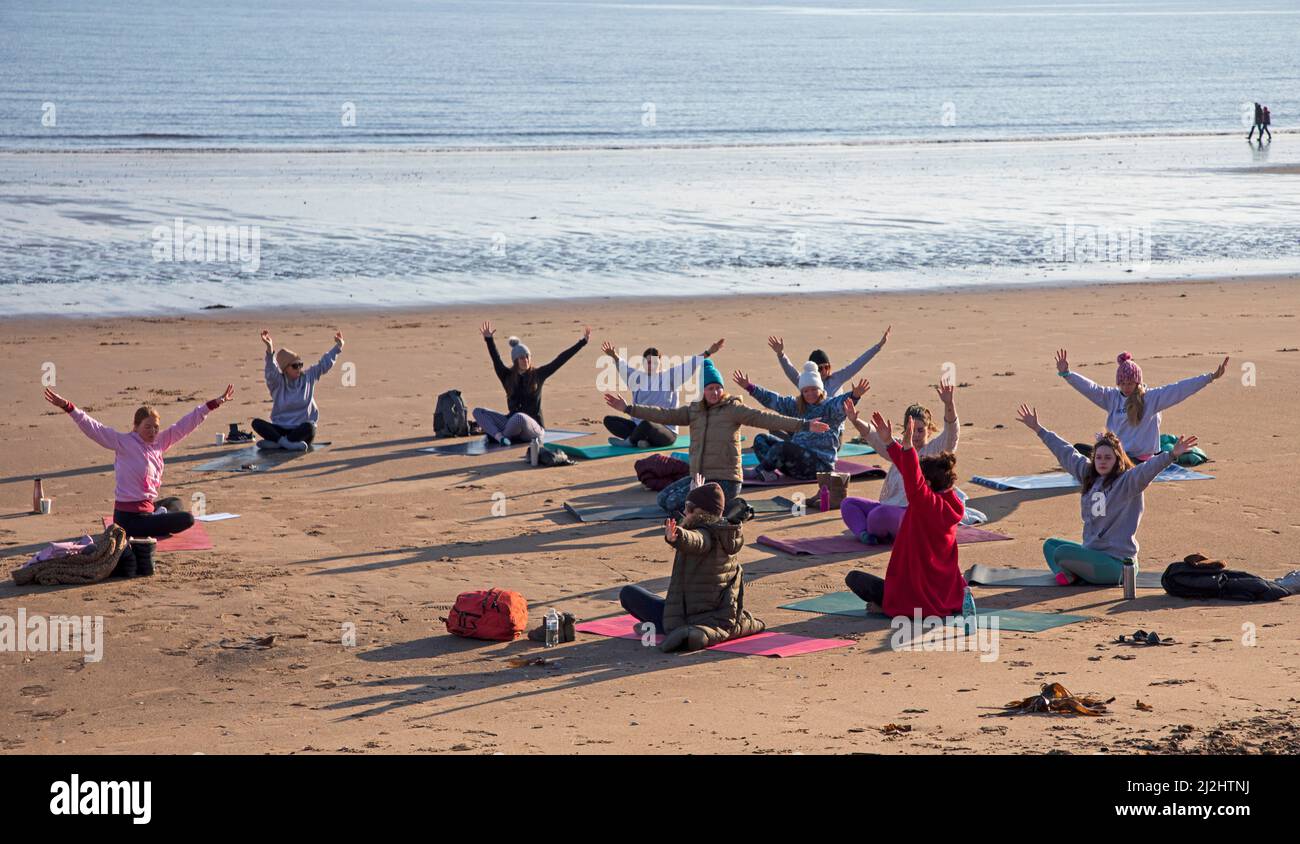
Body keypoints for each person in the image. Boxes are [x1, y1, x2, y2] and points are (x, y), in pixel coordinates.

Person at [43, 385, 235, 571]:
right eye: (147, 427)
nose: (152, 432)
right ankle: (155, 519)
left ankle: (156, 516)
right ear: (136, 427)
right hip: (129, 520)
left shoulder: (160, 442)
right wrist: (68, 407)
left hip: (147, 508)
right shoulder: (123, 442)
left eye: (156, 427)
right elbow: (93, 427)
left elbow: (186, 424)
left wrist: (214, 404)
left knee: (175, 502)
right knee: (188, 519)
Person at [604, 359, 828, 515]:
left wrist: (805, 425)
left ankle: (720, 508)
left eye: (718, 388)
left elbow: (767, 419)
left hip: (726, 481)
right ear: (703, 391)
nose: (715, 392)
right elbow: (663, 414)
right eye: (710, 388)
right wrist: (628, 409)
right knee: (664, 499)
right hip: (700, 478)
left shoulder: (733, 409)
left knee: (675, 504)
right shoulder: (694, 411)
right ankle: (711, 508)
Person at [1016, 403, 1197, 585]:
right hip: (1092, 555)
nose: (1102, 462)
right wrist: (1039, 429)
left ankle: (1067, 573)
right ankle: (1068, 574)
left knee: (1061, 553)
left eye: (1108, 458)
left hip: (1117, 565)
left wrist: (1171, 454)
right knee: (1051, 545)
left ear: (1117, 460)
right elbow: (1066, 452)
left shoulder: (1127, 482)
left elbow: (1148, 469)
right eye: (1099, 457)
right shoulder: (1088, 474)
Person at [844, 412, 965, 618]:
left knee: (854, 578)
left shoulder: (926, 504)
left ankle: (888, 606)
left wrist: (906, 445)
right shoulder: (950, 503)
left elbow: (912, 474)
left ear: (926, 484)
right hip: (943, 594)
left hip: (914, 597)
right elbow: (909, 469)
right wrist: (890, 442)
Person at [618, 482, 764, 652]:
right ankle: (657, 625)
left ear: (701, 512)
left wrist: (677, 536)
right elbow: (694, 528)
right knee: (653, 600)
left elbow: (696, 539)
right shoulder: (725, 531)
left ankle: (662, 627)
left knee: (629, 593)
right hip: (715, 610)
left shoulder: (705, 534)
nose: (685, 511)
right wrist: (695, 494)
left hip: (690, 616)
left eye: (688, 507)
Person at [839, 380, 960, 544]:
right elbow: (873, 435)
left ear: (929, 429)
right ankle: (865, 535)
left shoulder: (935, 450)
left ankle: (876, 528)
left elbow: (951, 432)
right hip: (887, 508)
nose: (916, 435)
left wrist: (949, 404)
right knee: (848, 504)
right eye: (911, 430)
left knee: (877, 516)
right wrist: (854, 420)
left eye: (920, 430)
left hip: (911, 514)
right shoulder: (899, 447)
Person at [1055, 349, 1225, 461]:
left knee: (1107, 465)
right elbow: (1090, 388)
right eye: (1123, 383)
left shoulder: (1150, 399)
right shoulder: (1111, 397)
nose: (1126, 387)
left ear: (1138, 382)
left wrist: (1210, 377)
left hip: (1141, 459)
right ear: (1118, 383)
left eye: (1131, 383)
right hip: (1117, 454)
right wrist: (1067, 374)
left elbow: (1179, 389)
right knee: (1078, 449)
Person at [732, 363, 866, 482]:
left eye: (814, 389)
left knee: (783, 447)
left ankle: (759, 471)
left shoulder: (829, 406)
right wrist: (750, 388)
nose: (810, 394)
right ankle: (768, 473)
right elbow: (775, 401)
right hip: (796, 463)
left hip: (819, 466)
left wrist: (854, 396)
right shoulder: (797, 406)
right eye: (806, 391)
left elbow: (841, 403)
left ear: (820, 389)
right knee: (761, 439)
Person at [474, 321, 589, 445]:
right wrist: (489, 339)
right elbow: (496, 359)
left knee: (519, 417)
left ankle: (499, 435)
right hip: (511, 423)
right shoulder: (506, 376)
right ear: (515, 360)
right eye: (522, 357)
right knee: (478, 412)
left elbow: (560, 360)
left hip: (533, 428)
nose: (526, 360)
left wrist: (582, 343)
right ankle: (500, 437)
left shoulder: (538, 375)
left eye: (528, 356)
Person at [599, 337, 724, 448]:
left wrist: (708, 352)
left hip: (666, 432)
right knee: (609, 420)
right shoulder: (636, 378)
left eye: (655, 362)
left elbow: (690, 364)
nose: (651, 365)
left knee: (647, 423)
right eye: (648, 362)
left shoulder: (669, 376)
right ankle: (642, 440)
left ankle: (631, 442)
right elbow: (622, 367)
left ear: (660, 363)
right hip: (639, 427)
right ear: (643, 363)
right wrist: (614, 355)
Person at [253, 329, 343, 451]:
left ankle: (278, 443)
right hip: (280, 428)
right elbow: (271, 370)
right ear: (285, 369)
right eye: (295, 366)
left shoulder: (308, 377)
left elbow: (324, 364)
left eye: (300, 364)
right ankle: (286, 443)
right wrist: (270, 348)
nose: (299, 368)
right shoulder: (277, 383)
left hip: (301, 431)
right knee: (256, 423)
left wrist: (338, 346)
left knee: (310, 427)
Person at [766, 325, 890, 396]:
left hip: (833, 427)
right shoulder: (806, 381)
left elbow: (858, 364)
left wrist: (878, 346)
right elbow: (790, 371)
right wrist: (780, 354)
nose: (824, 371)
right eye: (820, 368)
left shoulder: (838, 378)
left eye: (827, 367)